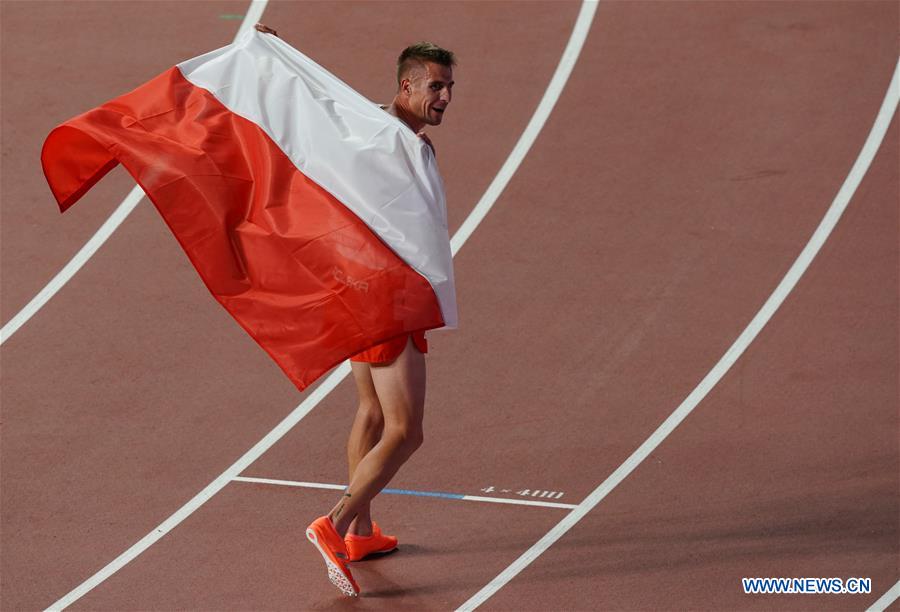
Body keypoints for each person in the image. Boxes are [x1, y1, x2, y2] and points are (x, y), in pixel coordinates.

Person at [253, 23, 455, 597]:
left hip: (355, 289)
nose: (445, 97)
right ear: (407, 85)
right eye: (435, 86)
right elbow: (317, 105)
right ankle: (335, 523)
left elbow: (321, 104)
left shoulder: (375, 124)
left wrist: (280, 57)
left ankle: (362, 533)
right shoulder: (390, 137)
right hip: (388, 296)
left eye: (449, 87)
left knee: (370, 412)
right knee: (407, 430)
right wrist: (278, 55)